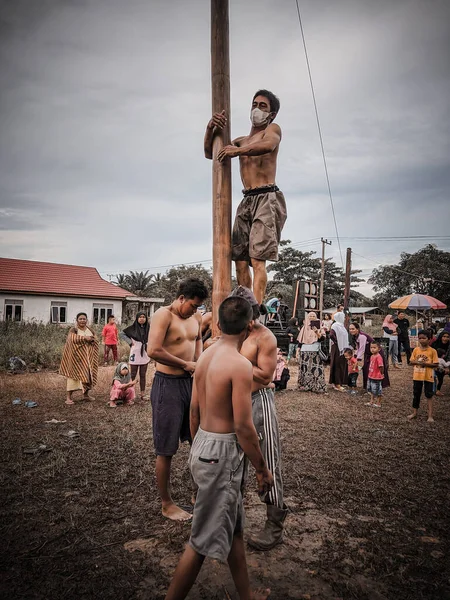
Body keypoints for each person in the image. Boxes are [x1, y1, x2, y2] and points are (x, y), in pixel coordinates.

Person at [165, 296, 272, 600]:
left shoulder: (206, 357)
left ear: (219, 324)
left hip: (203, 445)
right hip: (222, 453)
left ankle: (246, 595)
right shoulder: (239, 365)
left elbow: (194, 413)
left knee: (233, 528)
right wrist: (263, 469)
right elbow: (243, 426)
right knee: (200, 542)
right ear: (249, 325)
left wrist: (198, 449)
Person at [205, 90, 287, 305]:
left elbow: (268, 145)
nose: (257, 109)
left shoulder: (272, 130)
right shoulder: (240, 141)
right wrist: (210, 128)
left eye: (263, 106)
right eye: (255, 104)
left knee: (257, 259)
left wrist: (238, 152)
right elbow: (209, 152)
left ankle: (256, 311)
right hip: (247, 200)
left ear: (272, 114)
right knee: (240, 261)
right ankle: (245, 304)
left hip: (267, 197)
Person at [230, 286, 287, 551]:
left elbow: (265, 375)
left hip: (258, 401)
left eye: (250, 313)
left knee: (267, 458)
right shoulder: (233, 332)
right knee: (233, 460)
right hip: (233, 402)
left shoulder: (265, 337)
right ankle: (233, 519)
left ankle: (274, 524)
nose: (248, 319)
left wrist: (231, 362)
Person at [148, 278, 208, 521]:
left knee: (198, 439)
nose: (195, 311)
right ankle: (167, 503)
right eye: (193, 305)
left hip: (190, 385)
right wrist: (186, 364)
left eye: (198, 307)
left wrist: (199, 362)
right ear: (181, 298)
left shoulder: (195, 318)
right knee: (166, 448)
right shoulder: (164, 315)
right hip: (167, 385)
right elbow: (153, 350)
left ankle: (198, 493)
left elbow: (197, 340)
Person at [59, 312, 99, 405]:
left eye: (84, 319)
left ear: (87, 320)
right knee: (73, 377)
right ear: (77, 320)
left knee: (87, 376)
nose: (82, 320)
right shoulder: (73, 330)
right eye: (80, 319)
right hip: (76, 359)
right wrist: (85, 338)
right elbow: (71, 339)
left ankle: (86, 395)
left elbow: (95, 339)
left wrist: (92, 339)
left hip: (88, 359)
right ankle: (68, 397)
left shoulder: (90, 329)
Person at [407, 330, 439, 422]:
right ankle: (414, 413)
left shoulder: (432, 351)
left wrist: (425, 363)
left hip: (428, 376)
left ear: (429, 339)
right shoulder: (416, 350)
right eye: (420, 338)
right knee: (416, 394)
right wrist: (417, 362)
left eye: (424, 338)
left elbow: (435, 364)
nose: (422, 340)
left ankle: (430, 415)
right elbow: (411, 361)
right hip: (417, 376)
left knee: (429, 395)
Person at [349, 322, 390, 389]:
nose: (351, 330)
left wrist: (358, 359)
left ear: (357, 329)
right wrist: (355, 355)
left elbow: (362, 348)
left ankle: (378, 386)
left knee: (377, 369)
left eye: (353, 329)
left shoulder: (362, 336)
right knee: (366, 370)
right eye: (350, 329)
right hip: (369, 354)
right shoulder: (355, 336)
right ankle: (368, 387)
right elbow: (358, 348)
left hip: (376, 353)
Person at [122, 312, 150, 400]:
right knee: (133, 374)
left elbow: (154, 336)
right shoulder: (132, 328)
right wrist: (130, 342)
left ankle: (142, 394)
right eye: (140, 317)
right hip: (135, 352)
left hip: (145, 353)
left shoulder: (149, 328)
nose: (142, 318)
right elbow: (122, 334)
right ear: (137, 318)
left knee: (143, 374)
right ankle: (130, 394)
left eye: (144, 317)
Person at [297, 311, 327, 394]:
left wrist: (317, 332)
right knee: (305, 369)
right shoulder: (304, 327)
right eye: (310, 316)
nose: (312, 317)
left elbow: (322, 339)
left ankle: (317, 386)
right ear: (307, 317)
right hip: (304, 350)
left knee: (316, 368)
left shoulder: (320, 326)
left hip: (315, 350)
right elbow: (300, 340)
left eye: (314, 316)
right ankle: (306, 385)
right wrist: (298, 349)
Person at [329, 312, 349, 392]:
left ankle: (339, 382)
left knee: (342, 364)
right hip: (337, 348)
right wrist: (337, 342)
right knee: (337, 364)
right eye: (343, 317)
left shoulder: (341, 326)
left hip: (342, 348)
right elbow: (331, 335)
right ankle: (337, 383)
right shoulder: (335, 325)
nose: (344, 319)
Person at [366, 341, 385, 407]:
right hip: (371, 376)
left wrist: (381, 373)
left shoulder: (378, 357)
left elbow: (381, 366)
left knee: (377, 390)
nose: (372, 349)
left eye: (374, 347)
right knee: (371, 390)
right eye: (371, 347)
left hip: (376, 377)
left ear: (379, 349)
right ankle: (371, 401)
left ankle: (378, 403)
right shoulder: (372, 356)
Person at [431, 331, 450, 396]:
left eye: (447, 337)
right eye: (444, 336)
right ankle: (437, 390)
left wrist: (447, 367)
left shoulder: (449, 346)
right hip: (436, 364)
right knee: (438, 377)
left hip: (446, 363)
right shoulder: (434, 344)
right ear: (441, 337)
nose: (445, 338)